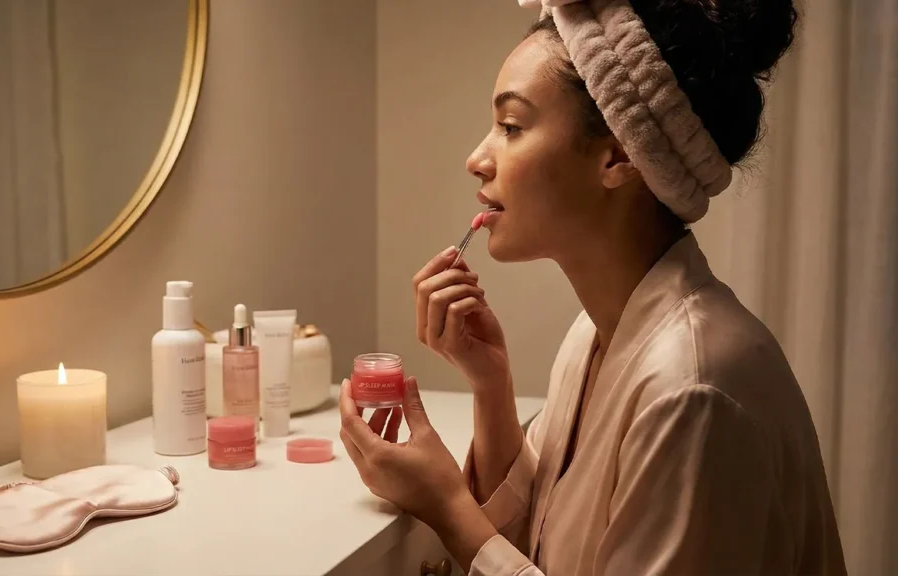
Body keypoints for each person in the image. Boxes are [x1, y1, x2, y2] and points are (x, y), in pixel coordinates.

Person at [339, 0, 848, 574]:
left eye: (511, 127)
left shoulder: (691, 389)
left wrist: (446, 506)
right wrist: (491, 385)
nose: (476, 159)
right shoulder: (592, 336)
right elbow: (543, 548)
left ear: (618, 156)